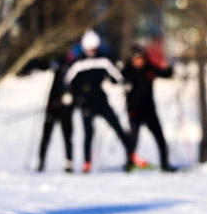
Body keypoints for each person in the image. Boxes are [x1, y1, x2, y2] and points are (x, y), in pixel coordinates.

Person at [64, 30, 134, 172]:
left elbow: (116, 75)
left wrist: (124, 83)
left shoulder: (103, 60)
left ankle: (131, 155)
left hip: (101, 100)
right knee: (88, 133)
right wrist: (68, 94)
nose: (92, 52)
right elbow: (67, 80)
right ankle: (87, 162)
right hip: (85, 101)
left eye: (94, 49)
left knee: (117, 127)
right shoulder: (77, 62)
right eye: (90, 49)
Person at [121, 43, 175, 171]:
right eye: (136, 59)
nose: (139, 61)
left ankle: (164, 164)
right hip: (134, 110)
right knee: (133, 139)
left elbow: (166, 74)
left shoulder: (149, 68)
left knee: (160, 138)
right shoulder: (127, 71)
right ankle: (129, 163)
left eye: (141, 58)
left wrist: (168, 67)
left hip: (149, 109)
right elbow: (117, 79)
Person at [37, 55, 75, 173]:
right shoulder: (57, 63)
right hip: (52, 106)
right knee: (46, 135)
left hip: (66, 109)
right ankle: (41, 161)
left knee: (67, 136)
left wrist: (71, 97)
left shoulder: (75, 66)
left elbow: (77, 88)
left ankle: (69, 162)